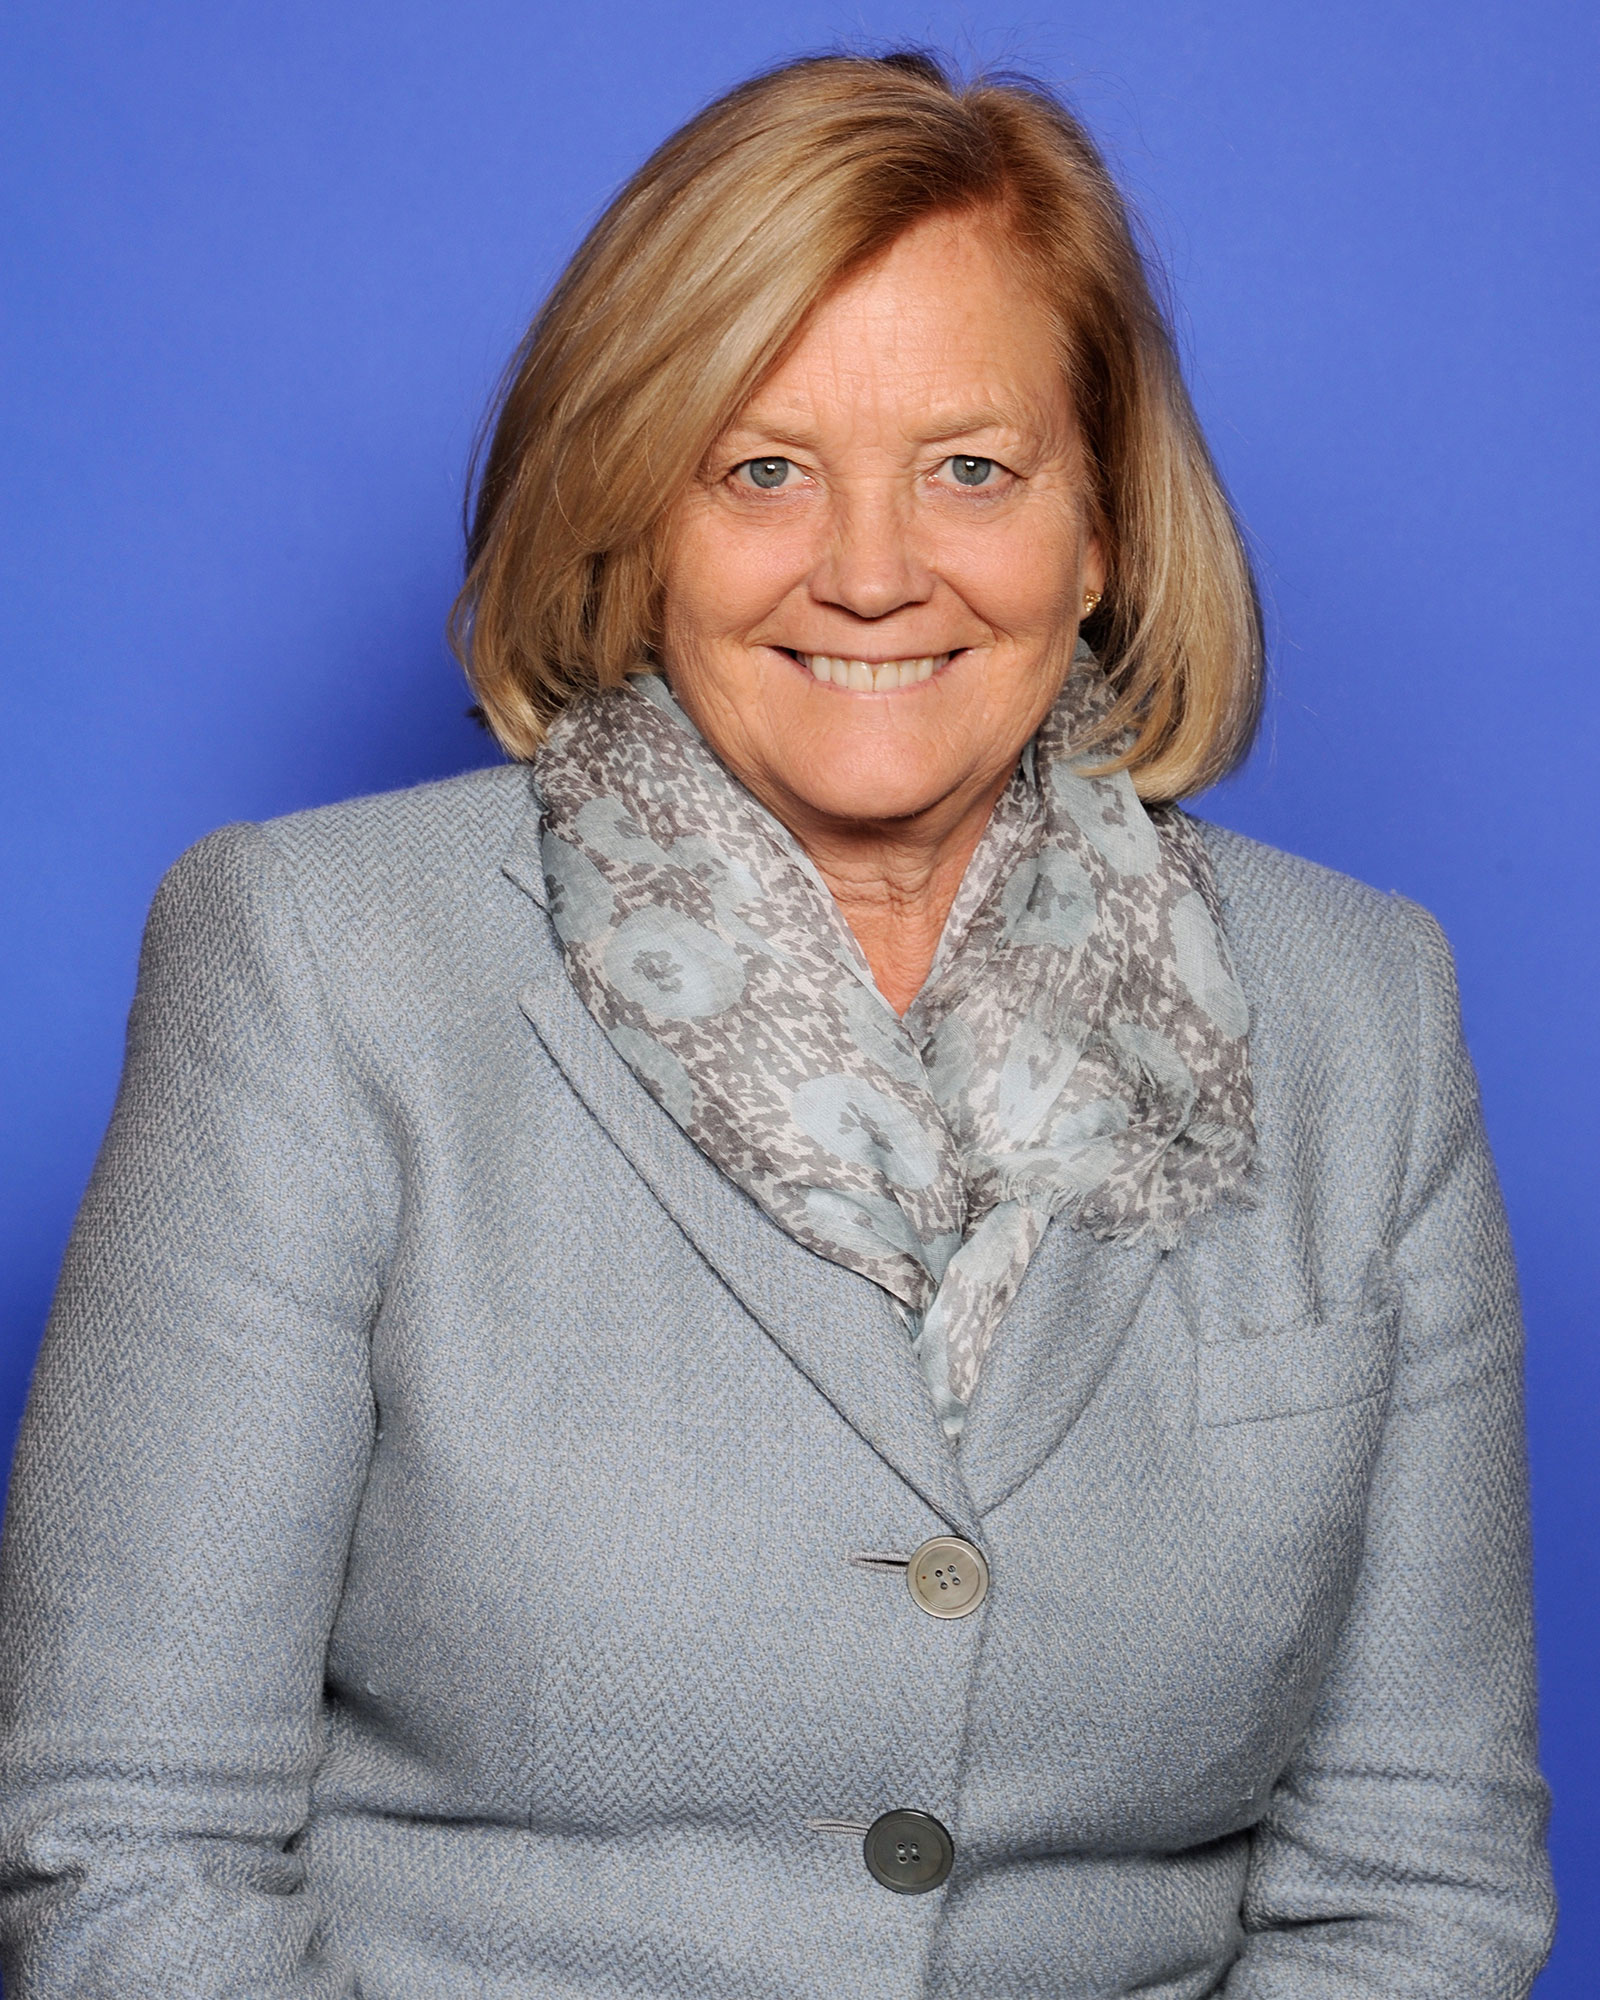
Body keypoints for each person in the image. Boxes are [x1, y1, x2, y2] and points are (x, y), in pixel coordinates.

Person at [0, 49, 1555, 1999]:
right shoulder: (317, 964)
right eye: (760, 466)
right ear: (630, 512)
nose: (874, 567)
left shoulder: (1364, 1014)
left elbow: (1408, 1884)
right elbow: (134, 1854)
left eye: (970, 468)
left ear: (1100, 531)